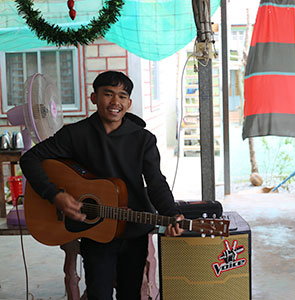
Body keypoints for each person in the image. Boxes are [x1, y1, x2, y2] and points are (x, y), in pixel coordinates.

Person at [20, 70, 184, 300]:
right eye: (108, 94)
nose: (115, 101)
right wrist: (55, 195)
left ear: (129, 103)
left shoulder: (143, 139)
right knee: (98, 293)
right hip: (94, 230)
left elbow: (156, 183)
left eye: (122, 96)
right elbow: (29, 159)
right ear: (94, 98)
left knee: (131, 293)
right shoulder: (75, 134)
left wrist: (171, 213)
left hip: (133, 228)